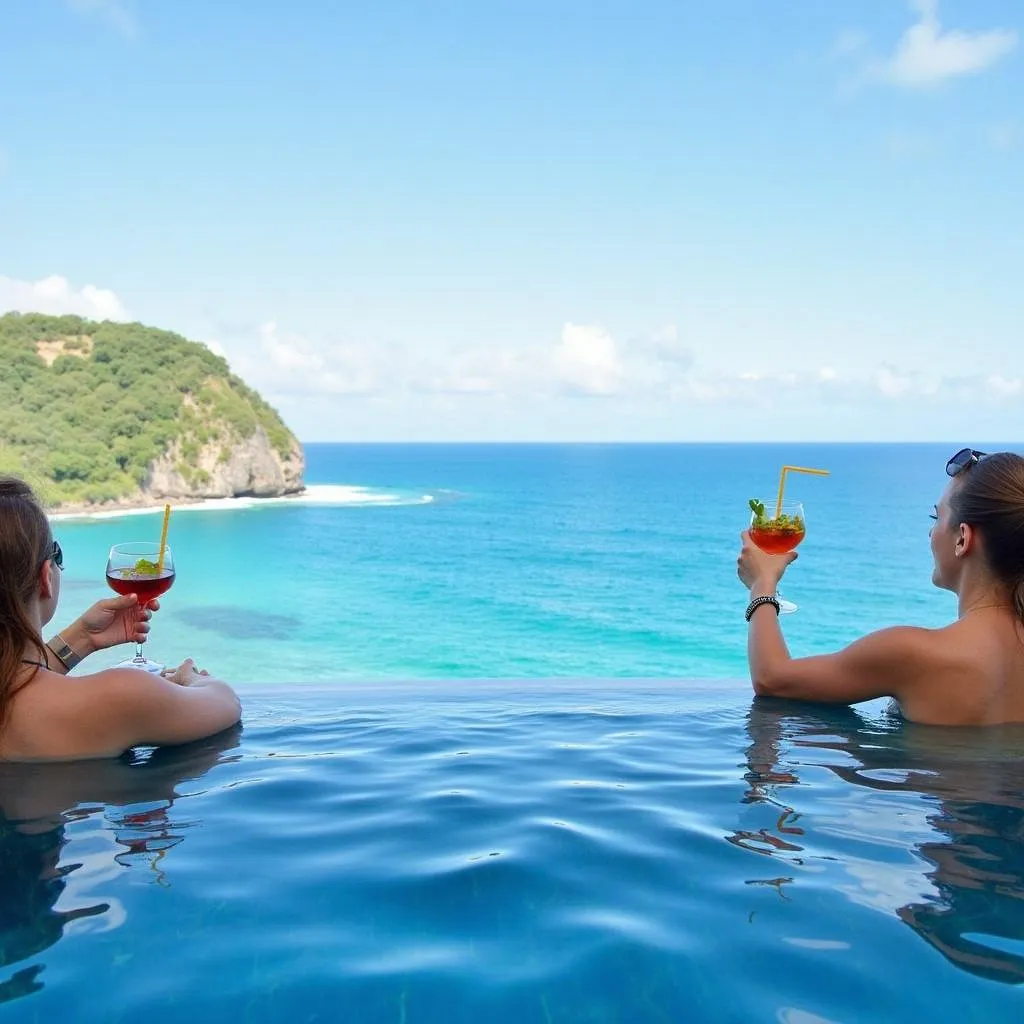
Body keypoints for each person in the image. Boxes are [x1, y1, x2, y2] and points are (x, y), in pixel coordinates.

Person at [737, 448, 1024, 725]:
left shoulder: (911, 654)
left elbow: (771, 678)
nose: (930, 532)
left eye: (936, 518)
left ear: (962, 539)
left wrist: (762, 583)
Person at [0, 476, 241, 761]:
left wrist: (83, 638)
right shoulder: (120, 697)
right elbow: (228, 703)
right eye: (57, 555)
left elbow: (17, 679)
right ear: (45, 578)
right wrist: (189, 678)